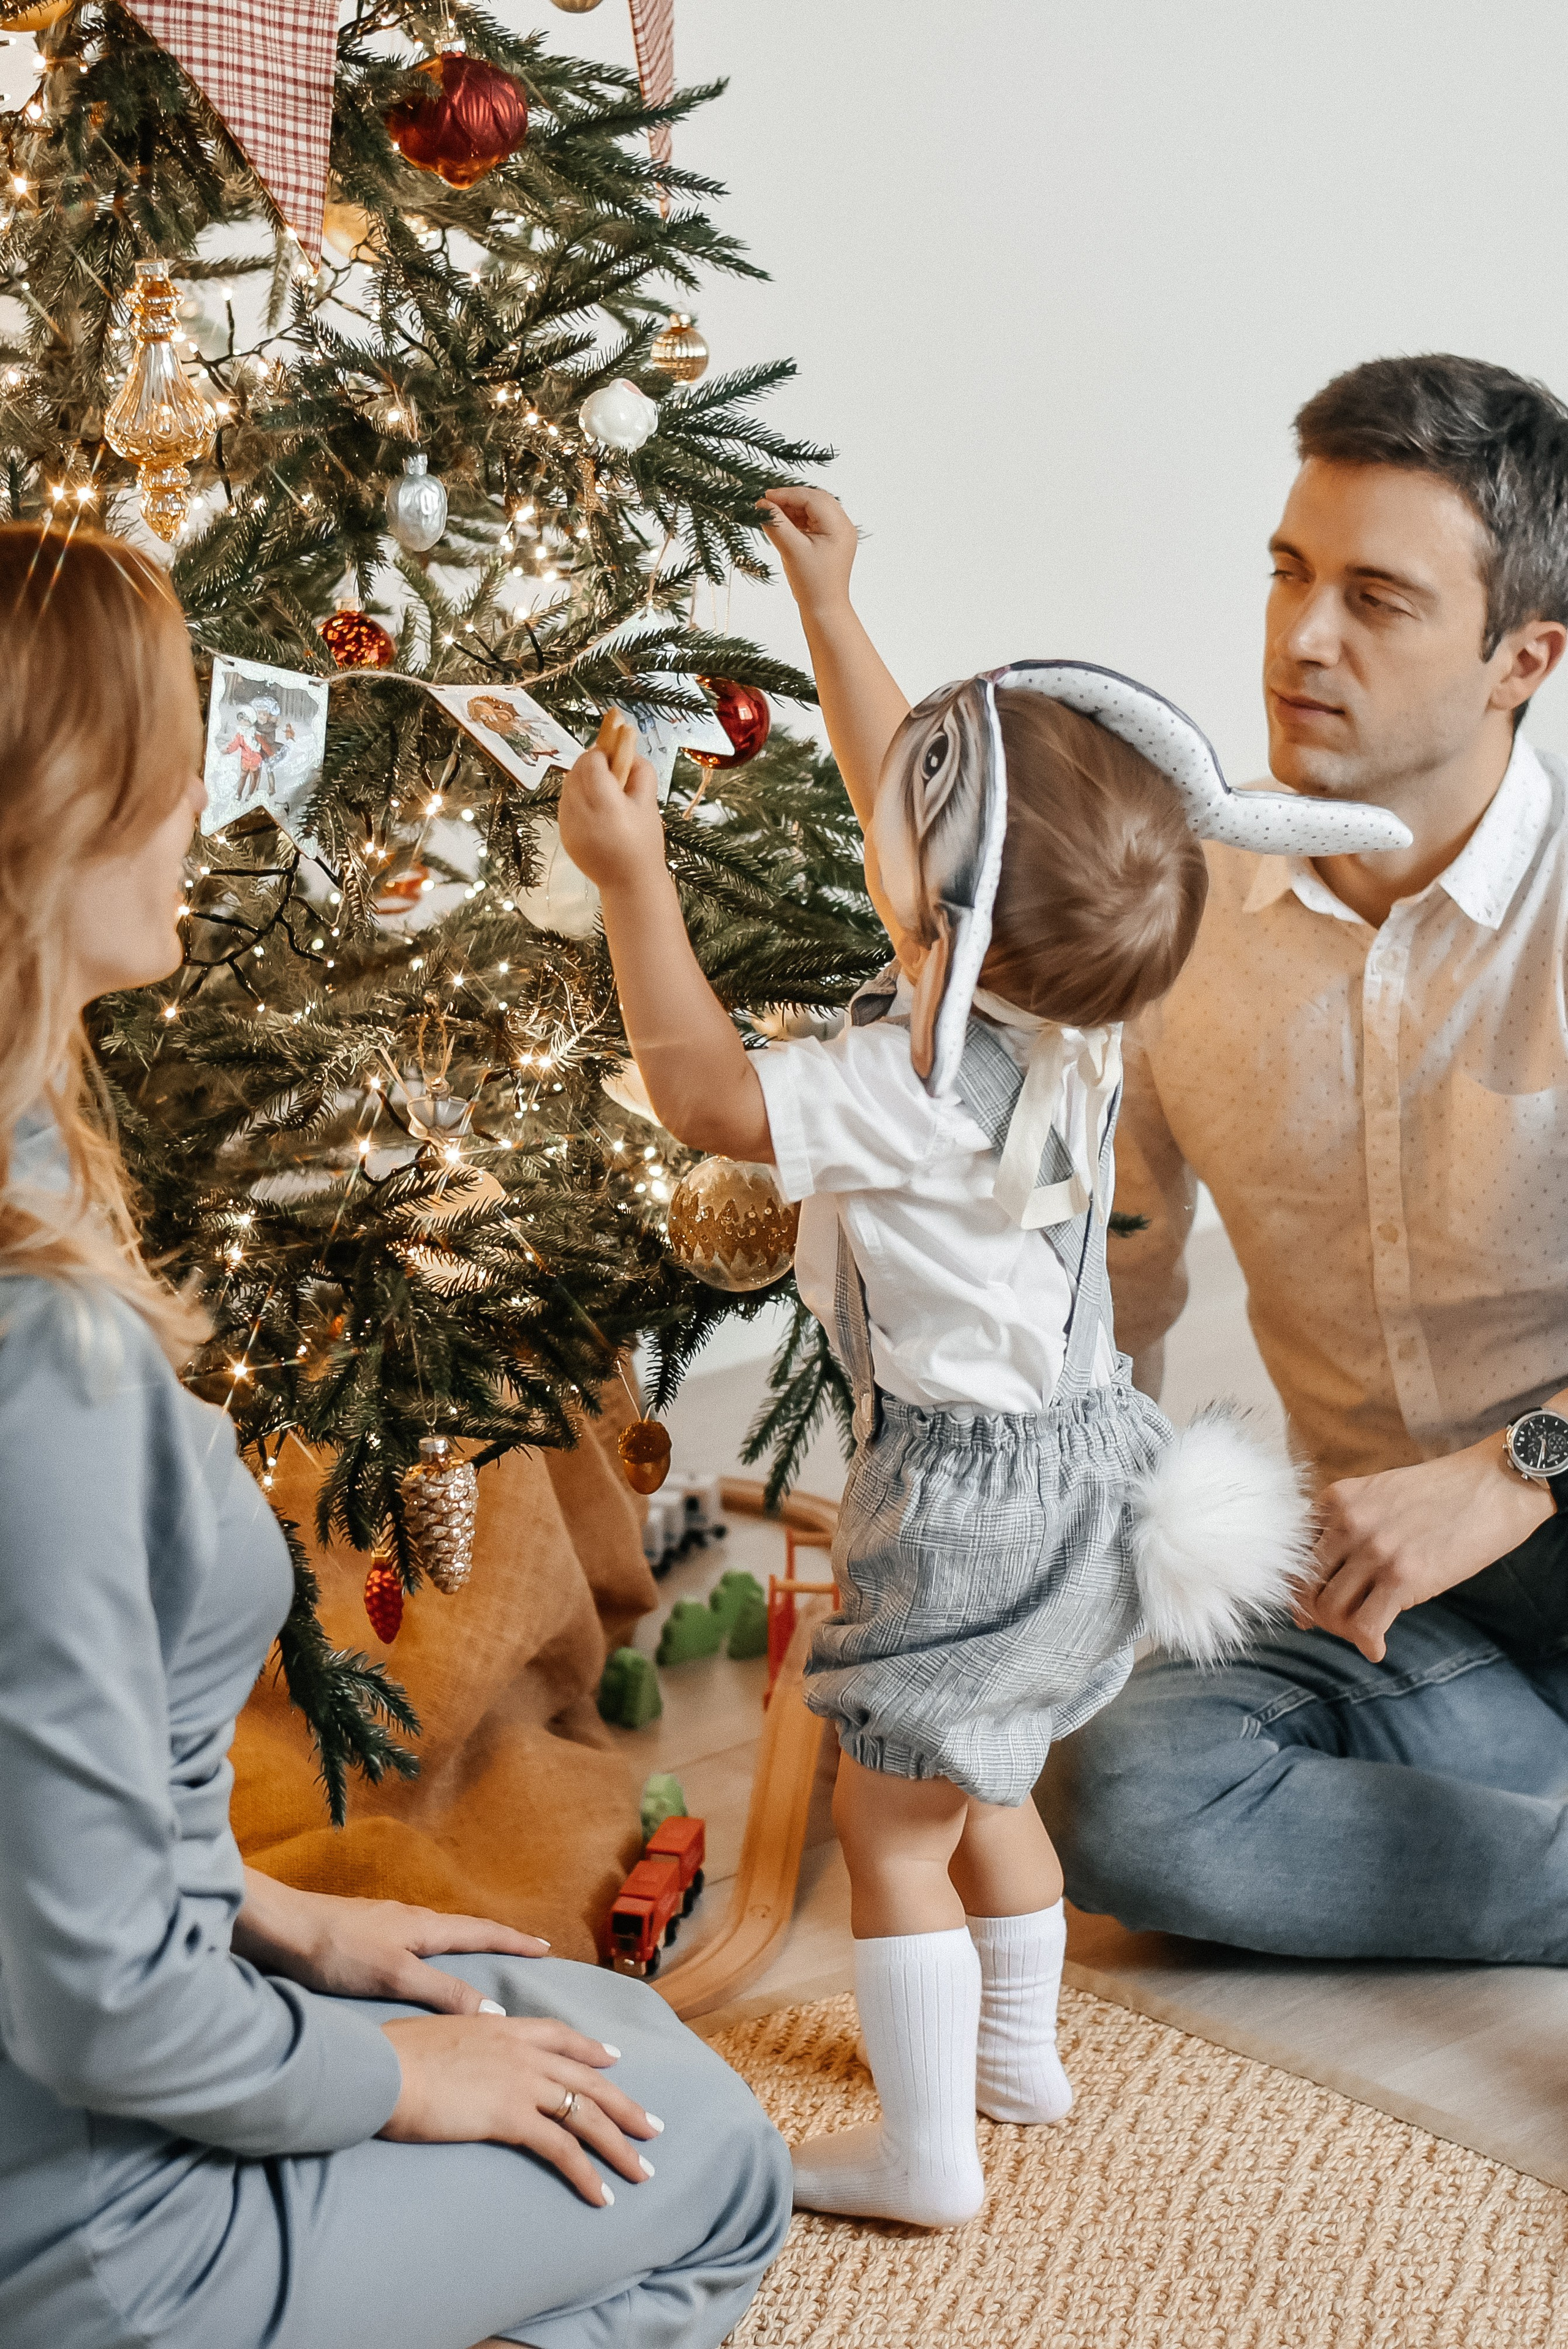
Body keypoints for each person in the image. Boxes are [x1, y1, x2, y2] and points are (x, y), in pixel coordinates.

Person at [0, 519, 791, 2349]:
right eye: (183, 761)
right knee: (718, 2157)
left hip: (101, 2041)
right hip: (88, 2217)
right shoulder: (41, 1346)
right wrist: (391, 2087)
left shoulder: (39, 1174)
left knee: (614, 2034)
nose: (216, 801)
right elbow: (101, 2009)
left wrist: (280, 1919)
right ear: (53, 811)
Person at [556, 527, 1397, 2223]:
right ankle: (1019, 2054)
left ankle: (927, 2156)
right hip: (1091, 1464)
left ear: (940, 901)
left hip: (960, 1499)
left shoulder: (902, 1079)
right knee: (990, 1772)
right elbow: (921, 810)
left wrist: (633, 880)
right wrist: (829, 608)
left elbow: (712, 1099)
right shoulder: (1080, 1008)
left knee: (892, 1827)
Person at [1033, 353, 1568, 1966]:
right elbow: (1104, 1290)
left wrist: (1504, 1473)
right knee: (1124, 1792)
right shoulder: (1174, 914)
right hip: (1390, 1609)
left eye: (1379, 600)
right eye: (1289, 574)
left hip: (1541, 1503)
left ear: (1520, 659)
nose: (1301, 639)